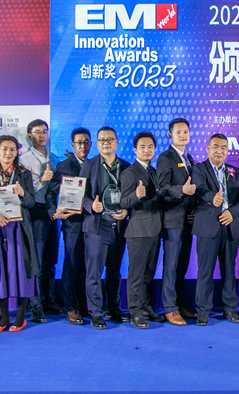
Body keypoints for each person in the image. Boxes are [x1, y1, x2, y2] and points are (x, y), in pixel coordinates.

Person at [0, 136, 39, 332]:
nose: (8, 153)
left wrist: (23, 193)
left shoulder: (24, 174)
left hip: (19, 230)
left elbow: (31, 203)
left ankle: (20, 317)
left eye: (12, 149)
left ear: (17, 152)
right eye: (4, 149)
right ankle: (4, 317)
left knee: (21, 271)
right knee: (0, 273)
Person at [191, 134, 239, 325]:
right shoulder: (199, 169)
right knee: (205, 271)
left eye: (224, 147)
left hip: (230, 226)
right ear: (208, 149)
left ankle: (230, 309)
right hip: (208, 226)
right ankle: (203, 311)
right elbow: (200, 189)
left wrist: (232, 212)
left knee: (229, 270)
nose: (219, 151)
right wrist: (212, 198)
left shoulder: (234, 171)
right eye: (215, 147)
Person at [80, 126, 130, 329]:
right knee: (94, 272)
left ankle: (114, 308)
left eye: (110, 139)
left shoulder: (126, 167)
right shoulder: (89, 165)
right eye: (102, 140)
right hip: (97, 227)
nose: (106, 143)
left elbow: (130, 196)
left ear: (117, 142)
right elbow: (78, 196)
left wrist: (126, 210)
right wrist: (90, 205)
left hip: (118, 227)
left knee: (115, 272)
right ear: (97, 144)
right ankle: (95, 313)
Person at [45, 127, 91, 326]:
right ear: (73, 145)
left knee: (87, 266)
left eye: (86, 142)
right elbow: (50, 193)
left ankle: (86, 305)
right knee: (71, 265)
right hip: (72, 224)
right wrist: (54, 212)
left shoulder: (94, 164)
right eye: (79, 142)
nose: (83, 146)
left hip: (92, 224)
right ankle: (71, 307)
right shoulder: (64, 166)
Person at [120, 132, 164, 329]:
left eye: (150, 147)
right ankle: (135, 312)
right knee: (136, 274)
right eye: (143, 147)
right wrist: (136, 195)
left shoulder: (154, 172)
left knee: (149, 273)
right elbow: (123, 202)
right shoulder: (129, 173)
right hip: (138, 231)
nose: (147, 150)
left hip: (155, 229)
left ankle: (146, 308)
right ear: (135, 150)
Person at [156, 118, 198, 325]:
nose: (183, 135)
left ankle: (180, 305)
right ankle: (170, 308)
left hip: (188, 221)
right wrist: (182, 189)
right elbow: (162, 188)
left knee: (182, 266)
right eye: (178, 132)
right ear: (170, 136)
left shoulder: (189, 158)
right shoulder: (165, 158)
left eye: (186, 132)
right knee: (171, 266)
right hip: (173, 221)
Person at [19, 119, 59, 322]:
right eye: (37, 132)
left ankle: (48, 300)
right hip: (35, 210)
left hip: (53, 210)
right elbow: (24, 191)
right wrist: (42, 180)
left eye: (44, 131)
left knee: (51, 259)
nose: (42, 135)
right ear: (29, 135)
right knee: (37, 260)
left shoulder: (54, 157)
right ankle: (35, 305)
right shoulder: (24, 160)